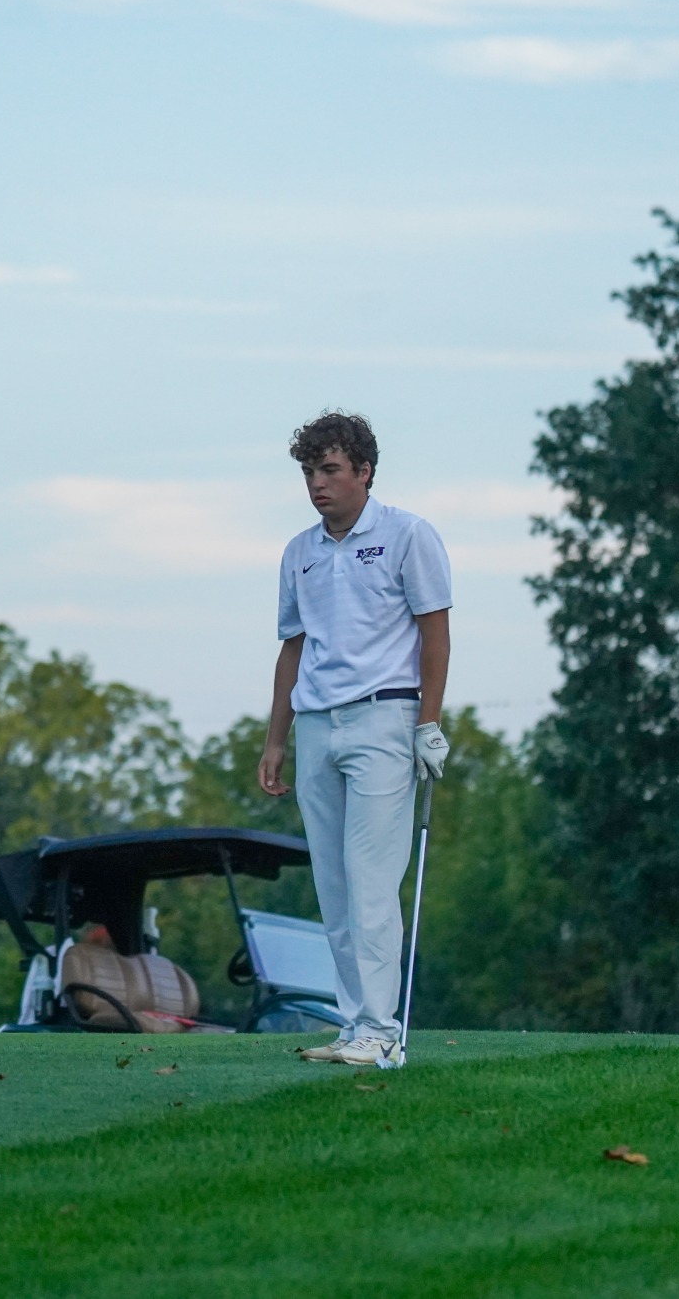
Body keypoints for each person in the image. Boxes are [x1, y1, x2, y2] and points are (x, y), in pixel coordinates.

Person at [257, 411, 451, 1067]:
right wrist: (276, 739)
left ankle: (380, 1029)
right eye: (310, 472)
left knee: (371, 881)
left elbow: (435, 634)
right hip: (317, 724)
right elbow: (293, 648)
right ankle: (354, 1023)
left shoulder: (407, 535)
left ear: (364, 471)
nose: (318, 483)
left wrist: (429, 722)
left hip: (384, 719)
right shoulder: (299, 552)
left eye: (331, 470)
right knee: (335, 885)